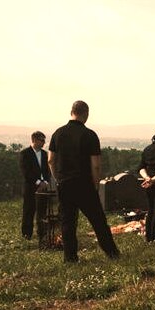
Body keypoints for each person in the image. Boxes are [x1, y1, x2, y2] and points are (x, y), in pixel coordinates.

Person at [48, 101, 120, 263]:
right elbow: (96, 165)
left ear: (71, 112)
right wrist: (95, 184)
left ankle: (70, 258)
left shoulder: (57, 133)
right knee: (98, 221)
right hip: (84, 184)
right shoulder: (89, 135)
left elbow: (51, 160)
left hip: (64, 183)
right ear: (86, 114)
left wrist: (58, 179)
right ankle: (112, 253)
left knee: (68, 222)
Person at [19, 131, 51, 243]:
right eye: (41, 140)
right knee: (29, 210)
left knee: (42, 211)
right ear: (34, 140)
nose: (43, 142)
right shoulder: (25, 154)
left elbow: (47, 170)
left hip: (43, 187)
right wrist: (38, 183)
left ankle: (42, 233)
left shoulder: (45, 154)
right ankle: (27, 234)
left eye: (44, 140)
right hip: (30, 187)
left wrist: (45, 182)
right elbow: (26, 172)